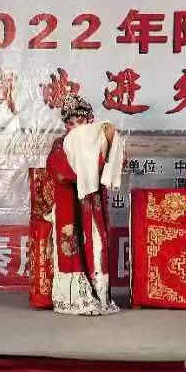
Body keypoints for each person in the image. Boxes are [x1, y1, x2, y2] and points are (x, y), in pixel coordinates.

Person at [44, 94, 123, 315]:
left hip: (92, 205)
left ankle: (100, 297)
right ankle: (75, 299)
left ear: (90, 120)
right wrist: (84, 172)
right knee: (72, 247)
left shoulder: (99, 142)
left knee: (96, 245)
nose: (76, 127)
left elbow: (114, 164)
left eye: (80, 121)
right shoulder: (60, 144)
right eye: (70, 123)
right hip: (69, 204)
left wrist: (109, 142)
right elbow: (59, 172)